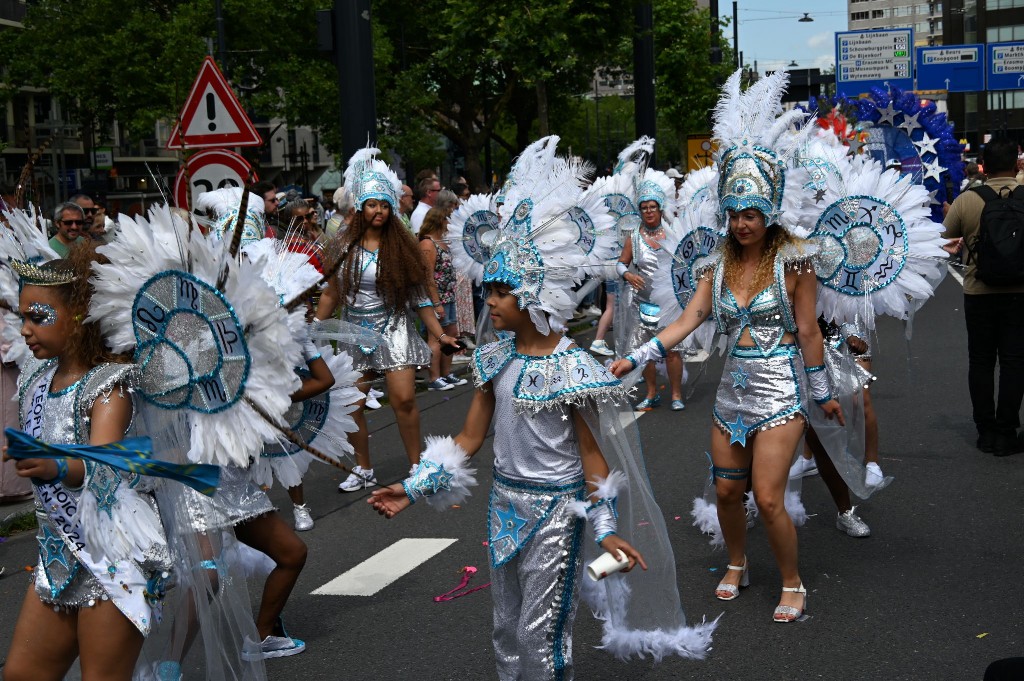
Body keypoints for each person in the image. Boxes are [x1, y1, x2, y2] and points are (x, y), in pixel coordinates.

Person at [369, 138, 715, 676]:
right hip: (504, 504)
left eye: (503, 293)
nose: (492, 302)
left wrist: (605, 531)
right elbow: (467, 440)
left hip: (557, 510)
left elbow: (592, 457)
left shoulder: (573, 368)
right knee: (506, 628)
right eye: (492, 291)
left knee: (542, 632)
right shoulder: (494, 359)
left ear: (534, 297)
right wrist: (413, 488)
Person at [612, 70, 843, 623]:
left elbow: (809, 330)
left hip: (780, 388)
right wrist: (640, 355)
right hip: (733, 392)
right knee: (725, 493)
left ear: (769, 213)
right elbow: (689, 319)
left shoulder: (796, 261)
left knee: (767, 497)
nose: (742, 224)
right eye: (735, 214)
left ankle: (791, 580)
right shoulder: (714, 266)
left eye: (752, 214)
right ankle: (737, 563)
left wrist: (822, 390)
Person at [2, 251, 172, 680]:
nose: (25, 329)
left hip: (110, 554)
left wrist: (54, 466)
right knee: (22, 674)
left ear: (79, 315)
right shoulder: (33, 380)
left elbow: (104, 467)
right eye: (23, 316)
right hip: (58, 551)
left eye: (38, 316)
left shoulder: (108, 385)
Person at [316, 148, 460, 492]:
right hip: (352, 328)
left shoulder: (402, 246)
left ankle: (416, 464)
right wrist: (310, 329)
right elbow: (331, 294)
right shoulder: (341, 247)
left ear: (390, 208)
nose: (378, 210)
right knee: (351, 404)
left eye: (383, 204)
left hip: (393, 326)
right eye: (371, 204)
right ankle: (363, 468)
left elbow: (419, 298)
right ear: (360, 208)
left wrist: (439, 336)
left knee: (404, 398)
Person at [943, 138, 1024, 456]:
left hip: (978, 291)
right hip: (1020, 292)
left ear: (984, 167)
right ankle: (1007, 432)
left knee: (981, 361)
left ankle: (985, 432)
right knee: (1014, 362)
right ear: (1016, 165)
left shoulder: (968, 200)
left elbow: (945, 238)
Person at [616, 170, 687, 411]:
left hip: (669, 304)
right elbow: (620, 263)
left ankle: (676, 394)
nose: (648, 211)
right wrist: (627, 274)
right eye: (644, 207)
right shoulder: (633, 236)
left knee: (672, 350)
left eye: (652, 207)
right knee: (643, 351)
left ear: (659, 208)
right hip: (643, 303)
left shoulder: (673, 232)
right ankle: (652, 393)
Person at [419, 207, 466, 390]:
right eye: (447, 220)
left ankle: (446, 373)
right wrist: (436, 302)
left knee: (451, 334)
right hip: (436, 298)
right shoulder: (428, 244)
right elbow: (428, 276)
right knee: (436, 337)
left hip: (448, 295)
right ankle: (434, 378)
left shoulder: (442, 241)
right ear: (439, 220)